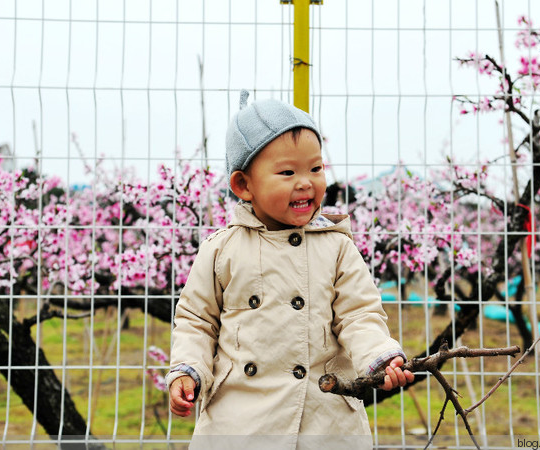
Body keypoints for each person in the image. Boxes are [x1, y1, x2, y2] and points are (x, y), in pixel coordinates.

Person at [165, 91, 413, 449]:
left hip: (323, 417)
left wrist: (379, 356)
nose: (305, 182)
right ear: (243, 185)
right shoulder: (223, 249)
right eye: (287, 172)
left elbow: (360, 314)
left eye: (316, 168)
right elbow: (196, 321)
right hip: (241, 418)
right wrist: (188, 369)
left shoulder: (336, 245)